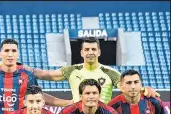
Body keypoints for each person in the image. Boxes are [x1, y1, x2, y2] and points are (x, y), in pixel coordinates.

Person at [25, 37, 159, 103]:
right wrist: (18, 66)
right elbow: (43, 74)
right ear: (82, 52)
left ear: (99, 52)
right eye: (87, 49)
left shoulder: (110, 73)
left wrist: (146, 89)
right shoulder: (71, 70)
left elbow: (128, 88)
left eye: (93, 49)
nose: (90, 52)